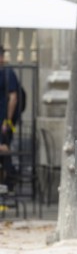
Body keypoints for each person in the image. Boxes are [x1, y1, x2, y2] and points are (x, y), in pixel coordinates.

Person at [0, 45, 20, 193]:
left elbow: (13, 98)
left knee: (3, 147)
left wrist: (8, 120)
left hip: (4, 121)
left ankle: (11, 177)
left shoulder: (8, 73)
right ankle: (7, 181)